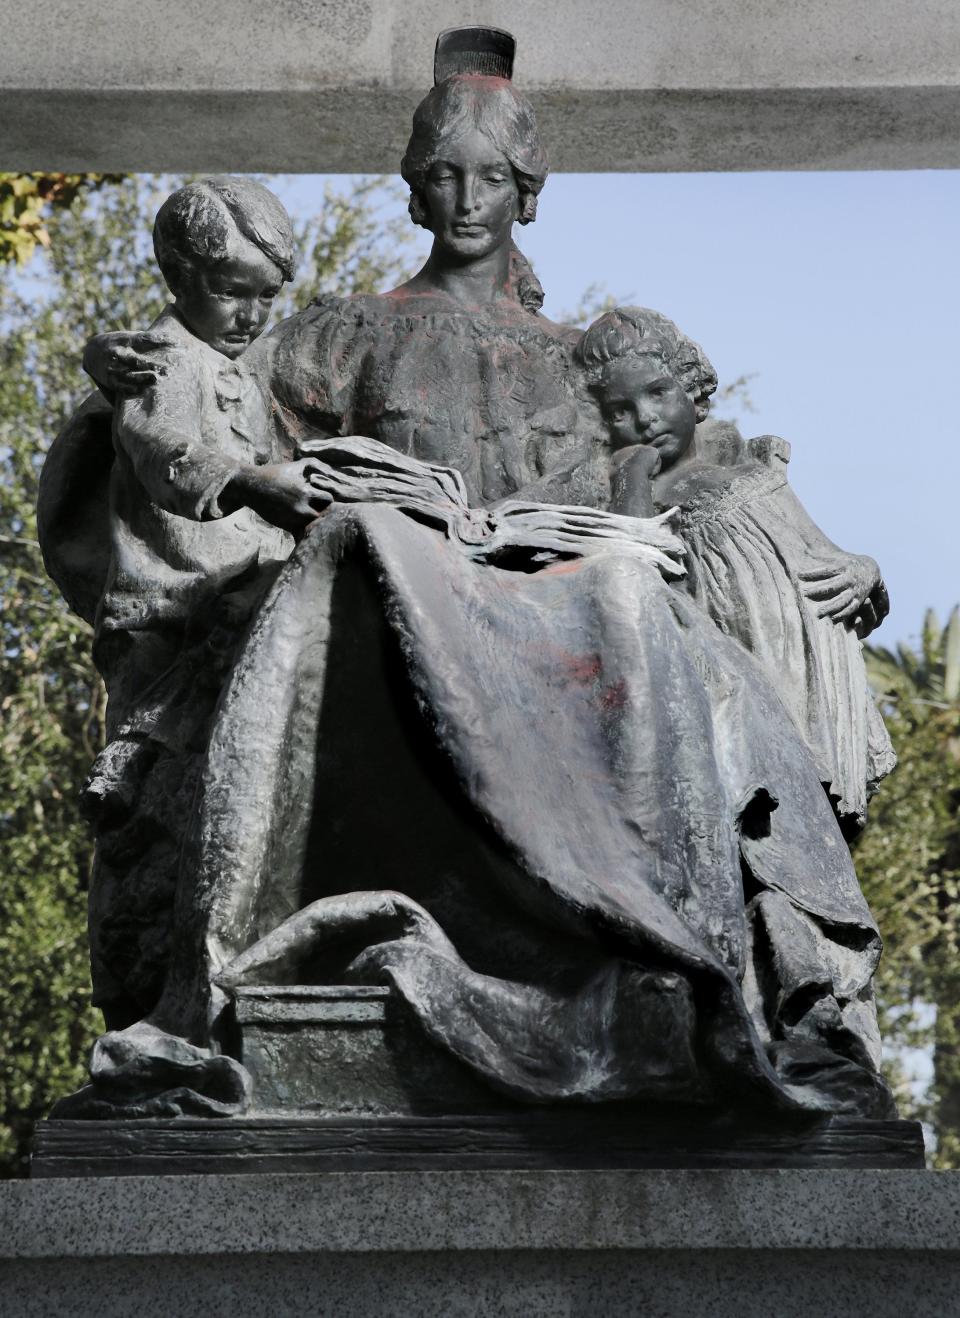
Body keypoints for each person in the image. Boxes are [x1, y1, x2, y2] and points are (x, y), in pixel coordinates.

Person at [47, 44, 896, 1124]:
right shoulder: (335, 335)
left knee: (635, 608)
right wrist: (115, 377)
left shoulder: (586, 362)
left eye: (487, 177)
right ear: (413, 185)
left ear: (525, 192)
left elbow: (693, 464)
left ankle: (669, 949)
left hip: (572, 611)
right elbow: (202, 410)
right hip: (388, 615)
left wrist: (814, 556)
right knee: (365, 542)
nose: (462, 199)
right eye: (441, 175)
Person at [65, 177, 331, 1028]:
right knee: (151, 812)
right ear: (177, 273)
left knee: (233, 809)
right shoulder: (163, 360)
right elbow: (160, 450)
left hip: (239, 620)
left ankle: (216, 990)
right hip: (167, 628)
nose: (251, 315)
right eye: (230, 290)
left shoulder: (236, 370)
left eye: (267, 295)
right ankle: (141, 1005)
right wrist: (253, 483)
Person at [579, 306, 896, 833]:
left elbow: (824, 553)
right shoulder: (642, 496)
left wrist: (865, 570)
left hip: (806, 670)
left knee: (813, 817)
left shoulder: (755, 474)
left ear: (692, 391)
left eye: (658, 393)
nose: (646, 418)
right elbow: (629, 570)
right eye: (621, 411)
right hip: (734, 670)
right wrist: (630, 474)